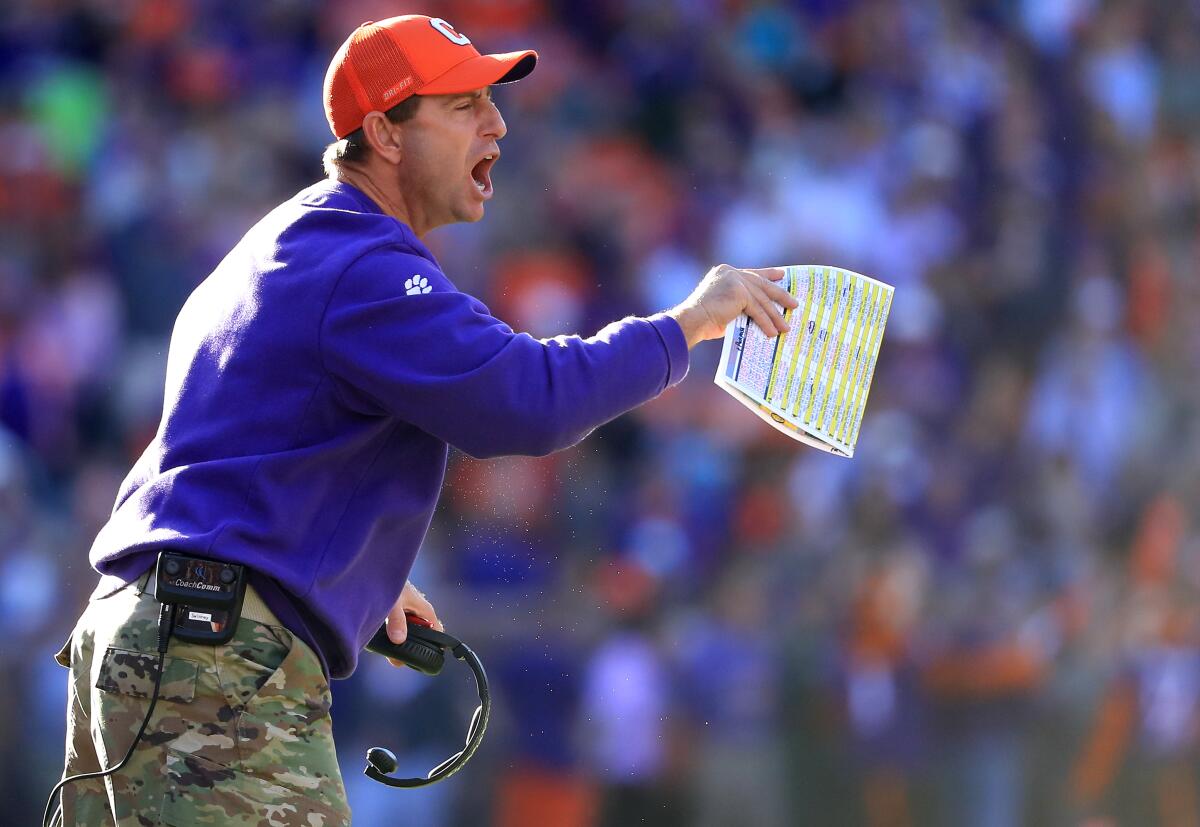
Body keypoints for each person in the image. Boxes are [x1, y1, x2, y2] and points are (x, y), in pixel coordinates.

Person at [51, 13, 797, 825]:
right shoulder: (362, 263)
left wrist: (342, 561)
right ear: (386, 132)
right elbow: (528, 399)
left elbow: (246, 449)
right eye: (463, 104)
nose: (498, 123)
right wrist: (685, 324)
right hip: (211, 650)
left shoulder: (292, 240)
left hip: (147, 633)